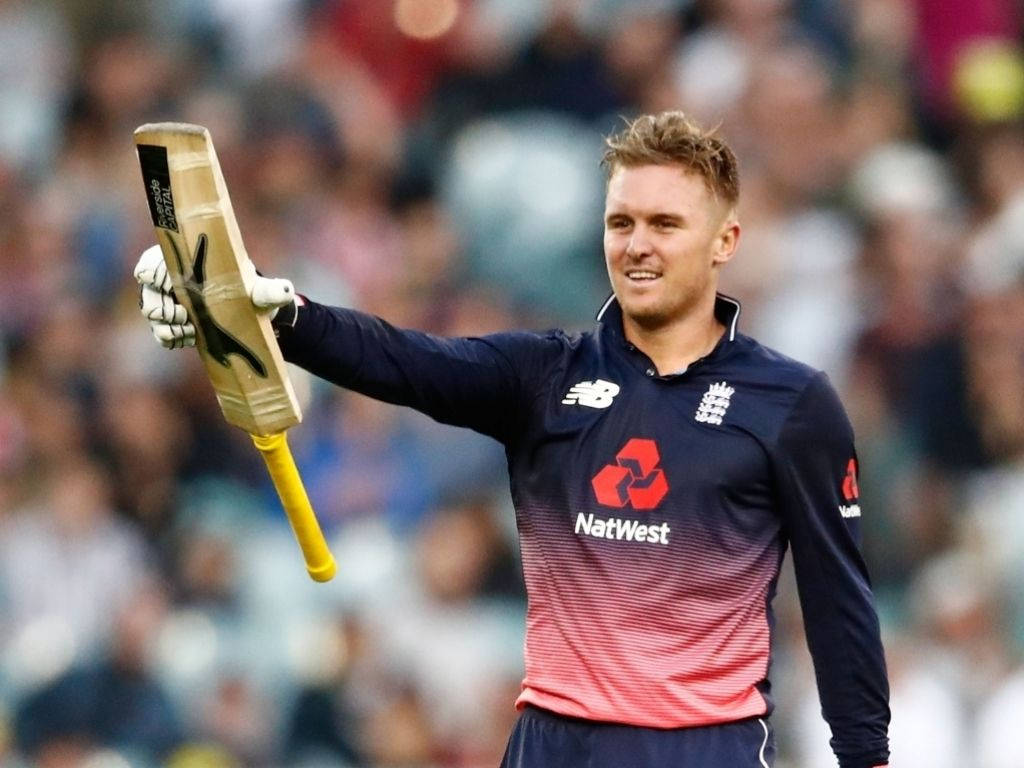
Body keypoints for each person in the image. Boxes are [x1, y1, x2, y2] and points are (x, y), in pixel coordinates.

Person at [135, 111, 891, 768]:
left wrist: (866, 757)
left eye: (666, 224)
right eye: (620, 222)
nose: (637, 245)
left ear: (724, 240)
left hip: (700, 745)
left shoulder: (792, 404)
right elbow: (404, 360)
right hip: (551, 743)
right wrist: (274, 309)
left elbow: (837, 603)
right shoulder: (544, 373)